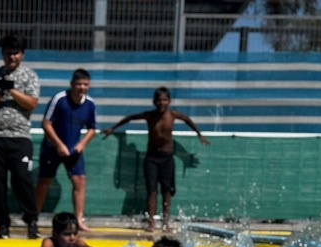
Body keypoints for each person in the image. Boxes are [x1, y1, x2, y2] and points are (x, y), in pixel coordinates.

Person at [102, 87, 210, 232]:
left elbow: (187, 120)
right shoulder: (149, 115)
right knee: (152, 190)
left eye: (164, 100)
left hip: (167, 158)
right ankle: (151, 222)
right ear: (154, 101)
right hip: (152, 158)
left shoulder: (172, 115)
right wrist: (113, 128)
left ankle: (166, 222)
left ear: (169, 101)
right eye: (159, 100)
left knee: (167, 191)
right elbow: (130, 118)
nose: (161, 103)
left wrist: (199, 135)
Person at [0, 32, 40, 239]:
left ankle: (31, 221)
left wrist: (12, 90)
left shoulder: (29, 76)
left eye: (15, 53)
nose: (11, 57)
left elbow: (31, 103)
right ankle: (2, 225)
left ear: (22, 54)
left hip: (20, 137)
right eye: (8, 53)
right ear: (2, 54)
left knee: (22, 179)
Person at [35, 69, 97, 232]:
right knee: (44, 181)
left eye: (85, 84)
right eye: (79, 84)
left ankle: (78, 219)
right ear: (72, 84)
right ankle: (34, 216)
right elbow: (46, 124)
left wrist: (82, 144)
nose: (82, 88)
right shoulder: (60, 99)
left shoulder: (90, 104)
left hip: (74, 150)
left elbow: (92, 128)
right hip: (52, 148)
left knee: (80, 181)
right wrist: (58, 144)